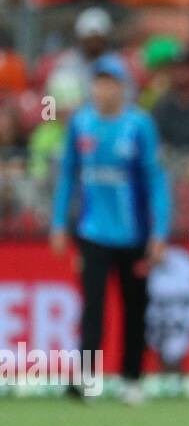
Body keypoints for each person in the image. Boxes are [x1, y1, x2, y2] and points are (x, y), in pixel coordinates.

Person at [50, 55, 170, 405]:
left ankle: (132, 379)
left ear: (122, 87)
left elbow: (156, 180)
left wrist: (159, 233)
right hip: (91, 233)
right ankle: (86, 379)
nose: (103, 90)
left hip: (133, 236)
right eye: (98, 82)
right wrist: (59, 223)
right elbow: (67, 175)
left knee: (135, 306)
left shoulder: (139, 125)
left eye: (111, 82)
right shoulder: (80, 124)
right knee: (92, 308)